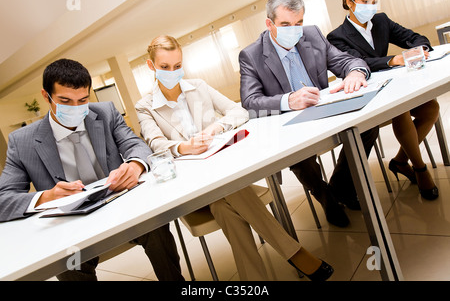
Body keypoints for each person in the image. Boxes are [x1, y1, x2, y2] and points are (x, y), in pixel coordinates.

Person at [135, 35, 334, 281]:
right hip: (193, 185)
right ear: (151, 66)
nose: (172, 72)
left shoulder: (199, 86)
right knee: (228, 193)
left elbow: (239, 111)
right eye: (164, 67)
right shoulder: (145, 106)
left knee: (223, 206)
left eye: (177, 66)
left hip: (221, 173)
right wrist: (184, 147)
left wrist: (215, 129)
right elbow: (155, 144)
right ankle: (294, 252)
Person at [0, 59, 184, 281]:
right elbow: (4, 201)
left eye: (83, 100)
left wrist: (135, 166)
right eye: (65, 101)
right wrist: (48, 196)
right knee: (68, 263)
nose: (76, 108)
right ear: (46, 95)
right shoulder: (23, 141)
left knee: (156, 227)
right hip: (71, 228)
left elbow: (137, 145)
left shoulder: (105, 112)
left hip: (121, 207)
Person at [239, 0, 379, 228]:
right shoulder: (251, 55)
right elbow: (250, 101)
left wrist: (356, 72)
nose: (294, 30)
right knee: (300, 159)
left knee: (367, 125)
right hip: (288, 125)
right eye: (285, 24)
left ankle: (341, 187)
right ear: (269, 23)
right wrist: (287, 101)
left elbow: (345, 61)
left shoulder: (312, 34)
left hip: (324, 112)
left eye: (298, 23)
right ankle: (325, 197)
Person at [326, 0, 439, 200]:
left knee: (431, 108)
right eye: (365, 2)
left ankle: (399, 161)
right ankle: (420, 168)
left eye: (374, 1)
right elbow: (361, 62)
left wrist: (420, 48)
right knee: (401, 110)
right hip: (368, 94)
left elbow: (413, 37)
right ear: (350, 2)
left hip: (393, 88)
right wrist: (393, 60)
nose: (371, 6)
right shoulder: (337, 36)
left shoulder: (381, 21)